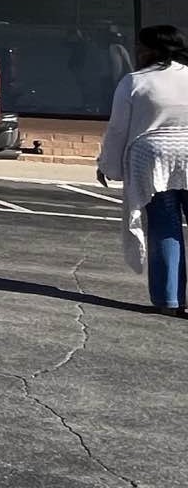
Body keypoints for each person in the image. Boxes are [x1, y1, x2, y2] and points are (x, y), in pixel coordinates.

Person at [97, 24, 188, 318]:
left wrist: (107, 164)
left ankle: (169, 299)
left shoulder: (135, 81)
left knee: (164, 226)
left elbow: (118, 129)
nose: (136, 51)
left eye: (140, 46)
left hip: (151, 158)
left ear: (151, 49)